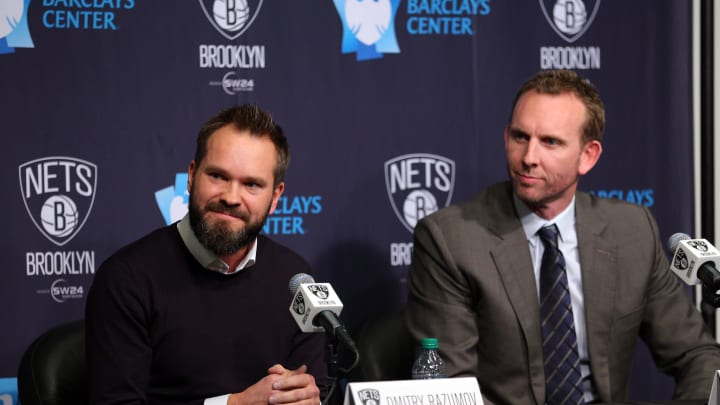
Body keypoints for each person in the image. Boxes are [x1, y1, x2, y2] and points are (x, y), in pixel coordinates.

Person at [405, 70, 720, 404]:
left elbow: (697, 355)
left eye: (550, 142)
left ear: (588, 156)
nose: (528, 157)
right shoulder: (451, 241)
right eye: (520, 136)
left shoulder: (632, 231)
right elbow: (450, 390)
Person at [86, 105, 326, 405]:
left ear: (275, 197)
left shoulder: (296, 278)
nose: (231, 197)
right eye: (217, 176)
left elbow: (317, 386)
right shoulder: (126, 279)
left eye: (251, 184)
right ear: (191, 175)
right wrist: (234, 404)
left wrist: (308, 398)